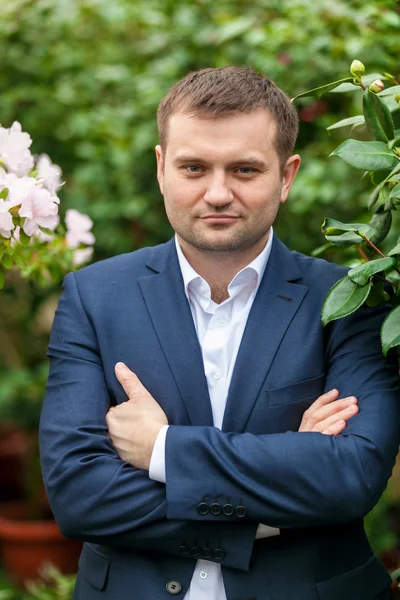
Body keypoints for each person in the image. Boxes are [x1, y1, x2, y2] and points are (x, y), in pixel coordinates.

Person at [39, 66, 400, 600]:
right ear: (161, 168)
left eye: (245, 170)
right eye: (193, 167)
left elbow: (348, 478)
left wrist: (161, 450)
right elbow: (78, 495)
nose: (217, 193)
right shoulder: (94, 297)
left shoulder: (351, 299)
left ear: (287, 175)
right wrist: (274, 493)